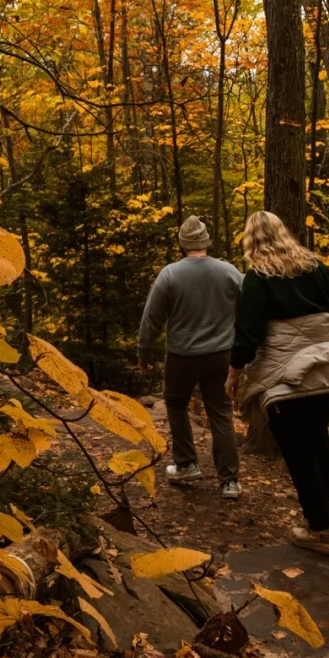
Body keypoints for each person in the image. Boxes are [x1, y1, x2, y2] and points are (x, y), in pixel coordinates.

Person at [226, 210, 329, 556]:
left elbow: (247, 333)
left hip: (285, 379)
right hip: (327, 373)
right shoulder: (316, 268)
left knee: (297, 449)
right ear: (284, 233)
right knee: (317, 439)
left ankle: (321, 530)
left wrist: (234, 373)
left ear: (251, 241)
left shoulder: (257, 278)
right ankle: (321, 519)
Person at [138, 214, 243, 499]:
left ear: (183, 244)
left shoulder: (170, 274)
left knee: (175, 404)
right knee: (220, 412)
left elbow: (152, 318)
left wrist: (144, 351)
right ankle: (229, 482)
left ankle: (186, 464)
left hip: (181, 357)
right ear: (206, 241)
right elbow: (251, 309)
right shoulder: (230, 272)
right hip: (221, 355)